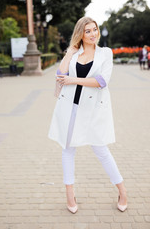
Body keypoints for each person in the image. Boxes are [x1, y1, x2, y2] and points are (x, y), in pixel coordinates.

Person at [48, 17, 127, 214]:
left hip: (93, 110)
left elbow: (102, 81)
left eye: (95, 30)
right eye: (88, 31)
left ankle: (123, 192)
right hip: (70, 107)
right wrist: (69, 52)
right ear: (80, 34)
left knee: (101, 150)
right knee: (68, 150)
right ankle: (69, 195)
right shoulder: (75, 54)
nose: (93, 34)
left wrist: (72, 79)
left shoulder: (105, 53)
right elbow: (60, 74)